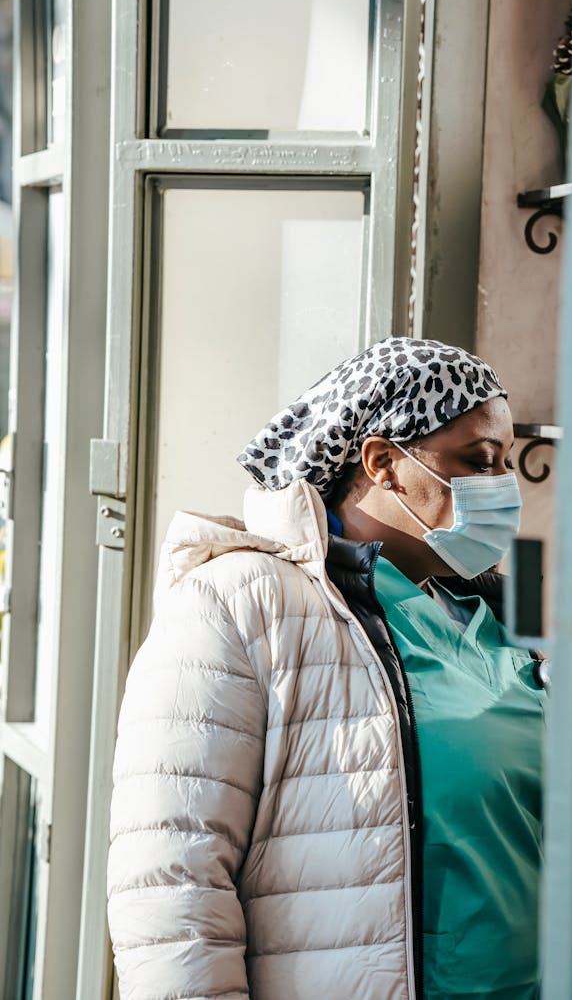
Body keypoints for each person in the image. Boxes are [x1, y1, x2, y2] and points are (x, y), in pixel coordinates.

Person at [107, 337, 546, 1000]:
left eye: (506, 463)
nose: (502, 488)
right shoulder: (240, 604)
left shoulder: (491, 615)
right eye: (478, 461)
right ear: (384, 462)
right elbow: (172, 885)